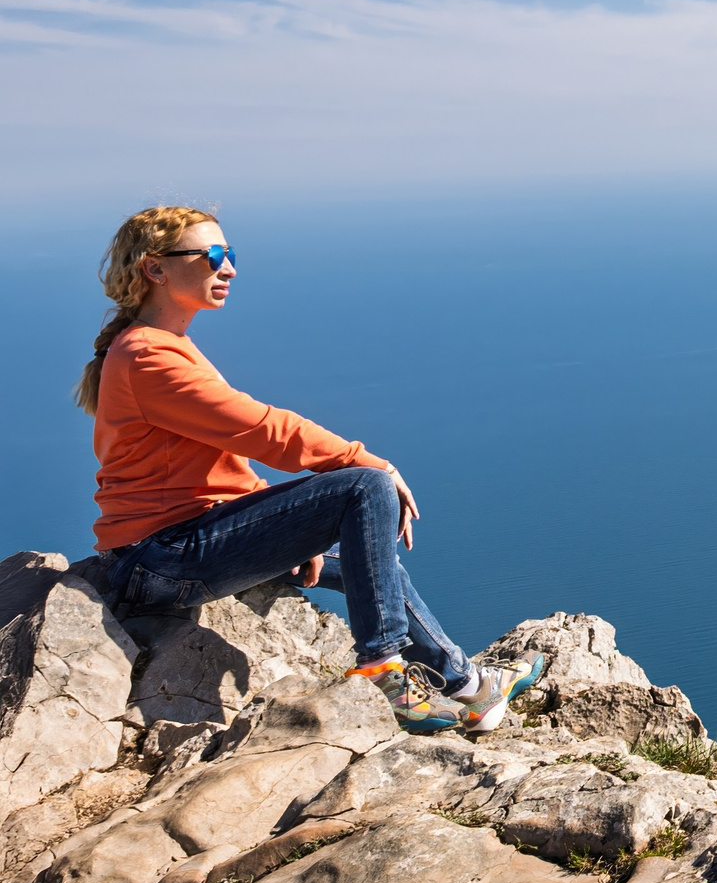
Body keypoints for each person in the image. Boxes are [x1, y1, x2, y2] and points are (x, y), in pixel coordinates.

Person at [77, 204, 542, 735]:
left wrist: (294, 537)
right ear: (155, 269)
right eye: (211, 256)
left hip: (174, 548)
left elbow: (213, 466)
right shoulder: (148, 356)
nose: (228, 268)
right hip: (159, 559)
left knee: (369, 564)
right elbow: (262, 430)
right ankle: (385, 673)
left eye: (229, 255)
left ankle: (468, 687)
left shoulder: (161, 346)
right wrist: (373, 462)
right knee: (362, 489)